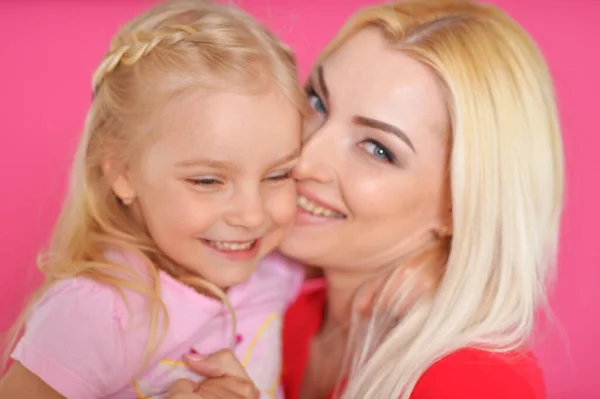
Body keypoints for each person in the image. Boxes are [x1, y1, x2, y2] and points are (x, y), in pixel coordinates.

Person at [168, 0, 564, 398]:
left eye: (377, 149)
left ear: (460, 206)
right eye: (317, 102)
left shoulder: (479, 381)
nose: (304, 159)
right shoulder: (273, 307)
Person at [0, 0, 308, 397]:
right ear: (123, 173)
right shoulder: (97, 315)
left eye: (279, 174)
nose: (252, 215)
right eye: (208, 180)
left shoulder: (275, 270)